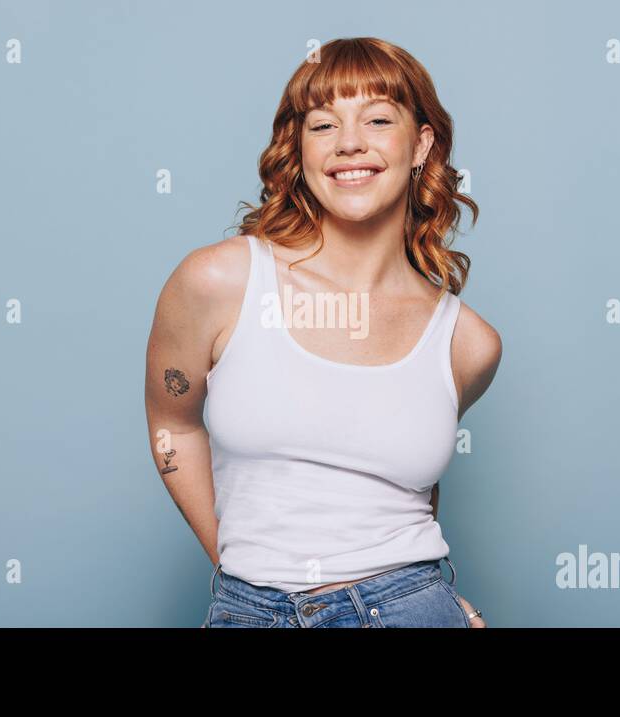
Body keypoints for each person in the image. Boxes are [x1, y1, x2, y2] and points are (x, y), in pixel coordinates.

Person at [144, 37, 500, 627]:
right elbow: (172, 423)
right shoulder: (219, 280)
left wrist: (437, 602)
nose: (350, 143)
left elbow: (407, 488)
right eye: (323, 124)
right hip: (251, 610)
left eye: (379, 119)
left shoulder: (468, 342)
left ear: (422, 144)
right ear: (300, 150)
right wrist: (239, 568)